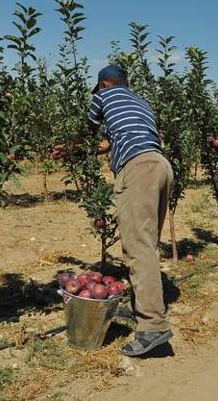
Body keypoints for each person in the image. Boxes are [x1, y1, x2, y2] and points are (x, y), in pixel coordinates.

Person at [85, 64, 174, 357]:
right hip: (161, 166)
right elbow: (113, 139)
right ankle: (140, 307)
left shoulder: (104, 95)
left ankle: (153, 327)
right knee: (147, 243)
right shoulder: (140, 103)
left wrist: (75, 146)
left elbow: (89, 129)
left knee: (138, 247)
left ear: (105, 84)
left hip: (137, 169)